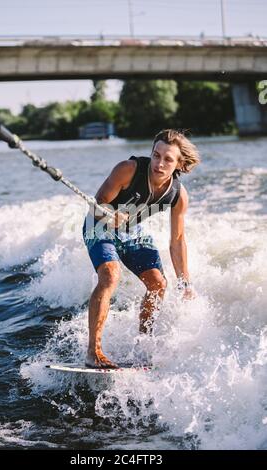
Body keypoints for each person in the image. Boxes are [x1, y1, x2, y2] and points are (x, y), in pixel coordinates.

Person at [82, 129, 201, 368]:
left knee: (158, 284)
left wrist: (184, 280)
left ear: (179, 163)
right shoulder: (128, 169)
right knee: (110, 276)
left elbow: (177, 240)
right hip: (99, 225)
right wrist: (108, 213)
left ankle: (142, 346)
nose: (159, 163)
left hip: (131, 231)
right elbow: (96, 206)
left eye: (168, 159)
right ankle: (93, 352)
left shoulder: (178, 195)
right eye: (156, 155)